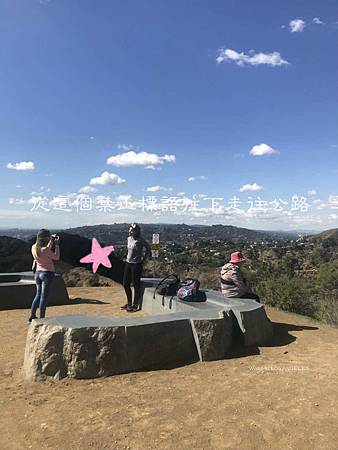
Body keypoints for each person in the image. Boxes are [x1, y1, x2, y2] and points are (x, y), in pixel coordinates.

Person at [28, 229, 60, 323]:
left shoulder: (34, 247)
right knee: (44, 297)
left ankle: (32, 316)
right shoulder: (44, 249)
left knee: (37, 295)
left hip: (38, 273)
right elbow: (56, 257)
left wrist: (52, 241)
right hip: (47, 273)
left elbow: (45, 250)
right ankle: (42, 318)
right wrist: (57, 245)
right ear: (45, 238)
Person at [121, 223, 151, 312]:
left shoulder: (140, 240)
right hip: (128, 263)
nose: (130, 231)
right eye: (129, 229)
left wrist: (144, 259)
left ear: (136, 231)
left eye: (132, 230)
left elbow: (148, 248)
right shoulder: (128, 239)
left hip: (136, 264)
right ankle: (129, 302)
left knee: (136, 285)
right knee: (125, 283)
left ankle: (135, 304)